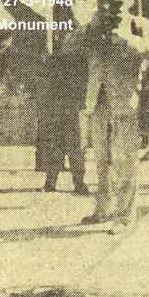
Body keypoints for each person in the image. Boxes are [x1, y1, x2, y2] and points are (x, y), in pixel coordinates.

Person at [62, 0, 149, 234]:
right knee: (102, 159)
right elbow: (68, 48)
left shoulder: (139, 25)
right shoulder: (94, 26)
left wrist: (126, 38)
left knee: (125, 160)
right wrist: (88, 29)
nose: (107, 7)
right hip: (97, 101)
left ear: (127, 1)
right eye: (103, 1)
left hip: (126, 101)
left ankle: (125, 216)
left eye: (113, 2)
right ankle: (103, 208)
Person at [42, 53, 90, 195]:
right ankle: (74, 182)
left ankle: (53, 181)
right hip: (68, 103)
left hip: (64, 102)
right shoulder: (77, 55)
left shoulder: (58, 57)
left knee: (63, 144)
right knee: (73, 145)